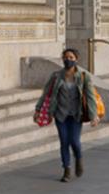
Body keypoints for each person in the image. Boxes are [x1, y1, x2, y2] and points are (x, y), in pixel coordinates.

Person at [40, 47, 100, 182]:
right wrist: (39, 110)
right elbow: (46, 94)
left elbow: (90, 97)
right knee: (64, 142)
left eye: (71, 58)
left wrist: (93, 115)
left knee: (74, 141)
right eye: (66, 57)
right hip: (60, 114)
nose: (68, 60)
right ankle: (66, 169)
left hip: (75, 114)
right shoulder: (56, 76)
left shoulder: (84, 76)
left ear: (76, 59)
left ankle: (78, 158)